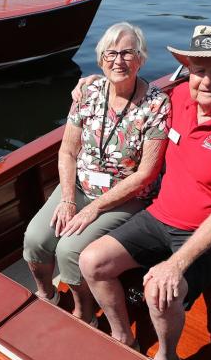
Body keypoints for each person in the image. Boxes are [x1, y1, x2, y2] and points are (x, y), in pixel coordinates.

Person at [78, 25, 211, 360]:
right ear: (189, 72)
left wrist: (175, 264)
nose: (206, 81)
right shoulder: (179, 96)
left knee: (159, 290)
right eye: (199, 71)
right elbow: (133, 92)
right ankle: (123, 337)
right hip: (161, 215)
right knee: (92, 261)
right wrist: (94, 83)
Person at [23, 23, 170, 325]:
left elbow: (145, 175)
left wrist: (92, 209)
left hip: (124, 195)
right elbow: (67, 151)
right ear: (101, 59)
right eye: (111, 53)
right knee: (36, 238)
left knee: (69, 249)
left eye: (128, 53)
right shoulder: (88, 92)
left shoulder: (157, 104)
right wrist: (67, 200)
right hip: (79, 185)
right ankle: (46, 294)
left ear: (140, 58)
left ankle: (84, 313)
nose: (119, 61)